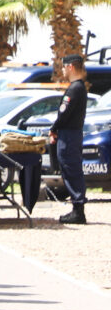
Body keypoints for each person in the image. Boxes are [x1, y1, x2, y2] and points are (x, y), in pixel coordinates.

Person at [50, 54, 89, 224]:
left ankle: (78, 210)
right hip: (72, 133)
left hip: (69, 135)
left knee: (71, 169)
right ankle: (76, 206)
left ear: (71, 67)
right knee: (70, 169)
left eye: (64, 67)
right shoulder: (79, 87)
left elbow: (64, 113)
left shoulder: (75, 88)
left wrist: (54, 128)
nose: (63, 70)